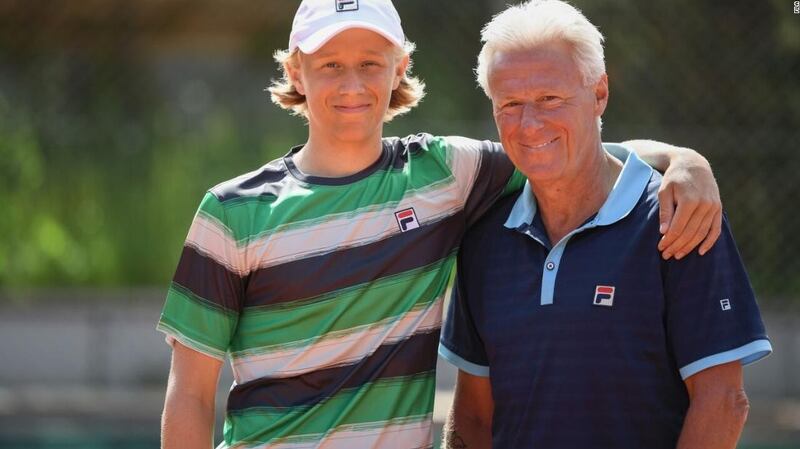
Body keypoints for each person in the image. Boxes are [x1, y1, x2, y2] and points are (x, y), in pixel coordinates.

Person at [157, 1, 724, 448]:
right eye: (330, 64)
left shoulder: (446, 173)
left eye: (370, 63)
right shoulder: (231, 212)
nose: (351, 84)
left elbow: (567, 150)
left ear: (399, 68)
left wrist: (684, 161)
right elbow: (190, 396)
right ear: (295, 71)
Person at [439, 1, 773, 448]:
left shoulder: (679, 217)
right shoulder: (484, 238)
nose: (529, 124)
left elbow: (723, 401)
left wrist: (687, 160)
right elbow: (473, 416)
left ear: (599, 94)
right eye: (511, 104)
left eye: (550, 99)